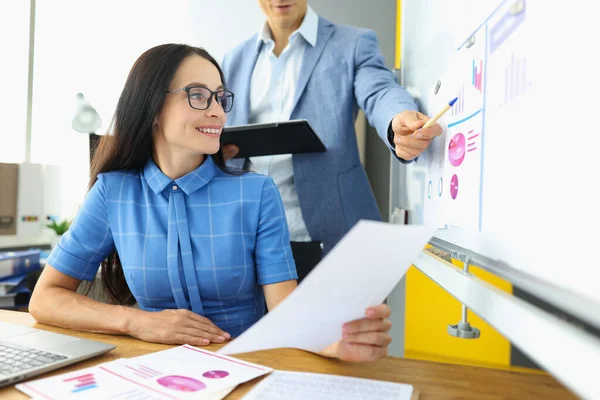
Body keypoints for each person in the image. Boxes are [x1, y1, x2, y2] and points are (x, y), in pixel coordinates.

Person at [29, 43, 392, 363]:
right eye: (199, 96)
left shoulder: (257, 193)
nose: (218, 111)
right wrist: (140, 321)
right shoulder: (112, 192)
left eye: (220, 97)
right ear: (152, 107)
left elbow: (285, 311)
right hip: (151, 371)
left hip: (245, 368)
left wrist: (335, 342)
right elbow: (45, 299)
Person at [221, 1, 443, 280]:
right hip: (250, 244)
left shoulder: (352, 43)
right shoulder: (233, 60)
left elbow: (379, 91)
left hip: (336, 237)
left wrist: (396, 119)